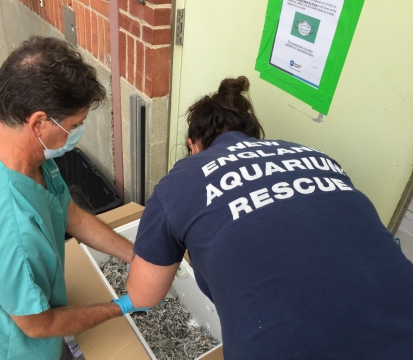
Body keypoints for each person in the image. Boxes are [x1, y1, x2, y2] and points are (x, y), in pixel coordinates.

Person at [127, 76, 413, 359]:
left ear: (193, 145)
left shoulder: (181, 180)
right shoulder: (318, 157)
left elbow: (143, 297)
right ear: (254, 137)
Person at [0, 36, 157, 360]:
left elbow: (68, 212)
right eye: (75, 125)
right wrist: (124, 304)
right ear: (39, 123)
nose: (76, 133)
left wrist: (136, 257)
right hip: (1, 348)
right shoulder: (13, 227)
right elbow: (38, 325)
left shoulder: (2, 149)